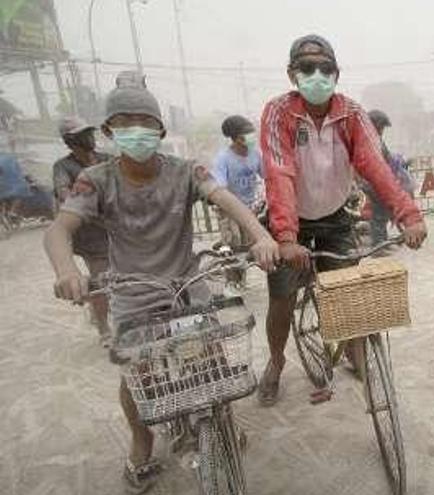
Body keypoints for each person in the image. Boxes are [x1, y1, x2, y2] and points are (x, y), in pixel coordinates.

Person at [44, 77, 279, 493]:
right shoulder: (95, 180)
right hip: (133, 292)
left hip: (188, 283)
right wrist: (66, 270)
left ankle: (221, 417)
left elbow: (225, 199)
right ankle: (142, 440)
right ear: (109, 131)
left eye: (145, 121)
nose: (136, 129)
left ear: (161, 130)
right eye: (124, 121)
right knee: (139, 374)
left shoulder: (185, 171)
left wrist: (260, 236)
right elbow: (60, 229)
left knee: (212, 355)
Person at [258, 34, 427, 405]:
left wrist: (408, 214)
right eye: (307, 68)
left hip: (334, 214)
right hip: (291, 219)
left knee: (349, 290)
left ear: (336, 73)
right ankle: (275, 361)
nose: (316, 74)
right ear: (292, 74)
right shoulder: (278, 112)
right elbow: (279, 171)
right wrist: (285, 237)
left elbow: (375, 166)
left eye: (325, 68)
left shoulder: (351, 113)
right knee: (283, 297)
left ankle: (354, 350)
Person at [52, 116, 113, 346]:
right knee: (100, 284)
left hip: (119, 232)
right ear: (70, 141)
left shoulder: (107, 159)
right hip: (92, 239)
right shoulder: (63, 167)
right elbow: (64, 194)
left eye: (89, 132)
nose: (90, 138)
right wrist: (88, 204)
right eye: (83, 135)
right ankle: (104, 327)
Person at [211, 115, 265, 288]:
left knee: (248, 246)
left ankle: (242, 279)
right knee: (233, 246)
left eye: (251, 132)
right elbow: (220, 187)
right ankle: (233, 283)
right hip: (229, 210)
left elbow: (267, 176)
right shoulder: (223, 159)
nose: (251, 136)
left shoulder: (256, 154)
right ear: (235, 138)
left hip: (250, 209)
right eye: (246, 134)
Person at [364, 109, 416, 247]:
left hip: (378, 182)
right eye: (380, 127)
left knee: (382, 212)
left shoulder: (376, 139)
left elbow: (388, 159)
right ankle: (378, 244)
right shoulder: (368, 140)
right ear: (373, 125)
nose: (382, 130)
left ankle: (381, 242)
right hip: (373, 183)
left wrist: (401, 162)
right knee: (379, 213)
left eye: (383, 128)